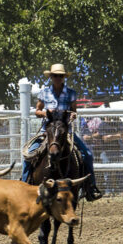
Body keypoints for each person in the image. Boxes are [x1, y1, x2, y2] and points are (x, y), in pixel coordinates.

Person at [21, 63, 102, 200]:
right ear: (51, 77)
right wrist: (46, 113)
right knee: (29, 155)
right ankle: (24, 186)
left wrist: (72, 115)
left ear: (63, 77)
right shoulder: (44, 93)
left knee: (87, 154)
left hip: (66, 131)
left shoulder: (71, 93)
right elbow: (37, 111)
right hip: (47, 131)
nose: (58, 78)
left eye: (60, 76)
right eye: (55, 76)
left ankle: (90, 187)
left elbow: (74, 111)